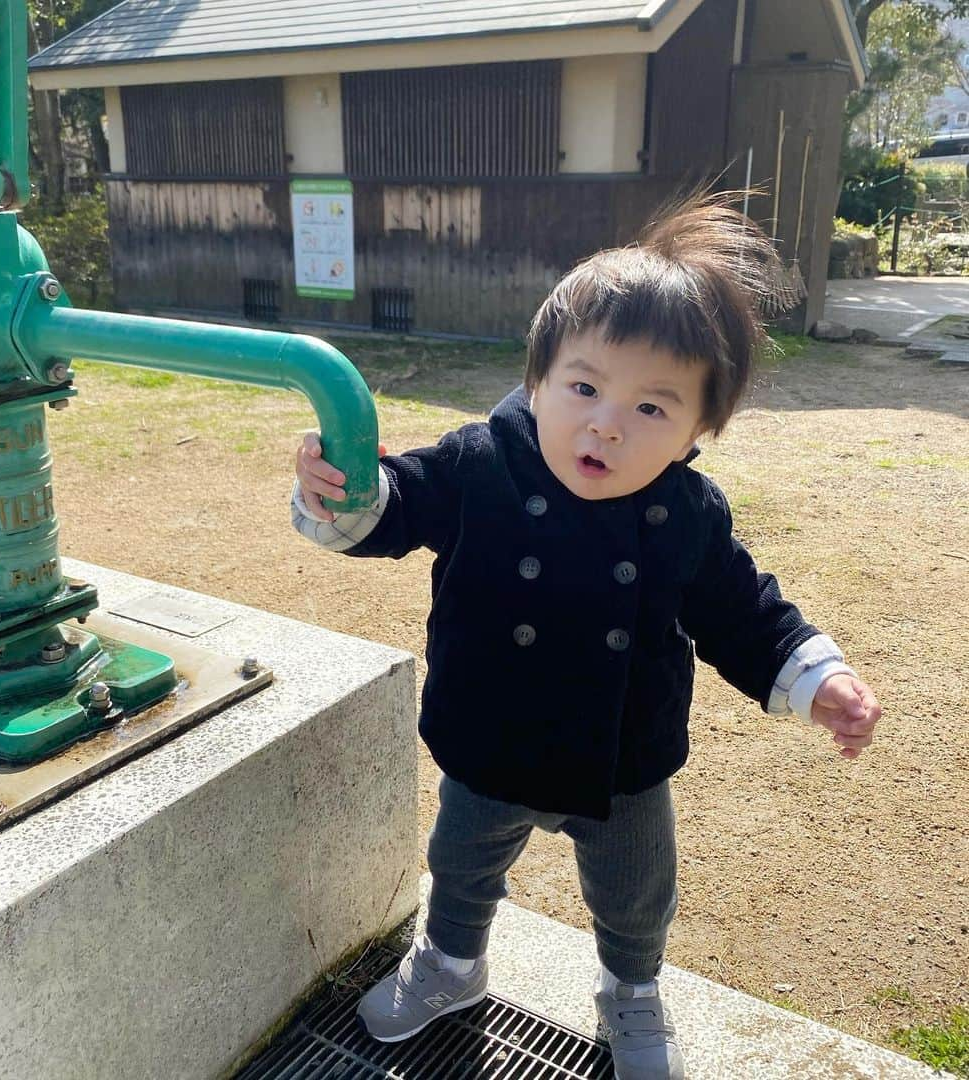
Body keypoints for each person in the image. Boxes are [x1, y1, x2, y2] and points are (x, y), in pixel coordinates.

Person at [290, 193, 881, 1080]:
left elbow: (741, 610)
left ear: (695, 435)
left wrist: (814, 676)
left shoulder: (685, 512)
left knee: (637, 897)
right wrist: (343, 494)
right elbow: (397, 501)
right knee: (460, 866)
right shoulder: (481, 464)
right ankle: (451, 967)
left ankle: (632, 993)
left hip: (624, 763)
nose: (606, 422)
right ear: (538, 379)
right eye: (585, 386)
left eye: (653, 407)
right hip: (491, 740)